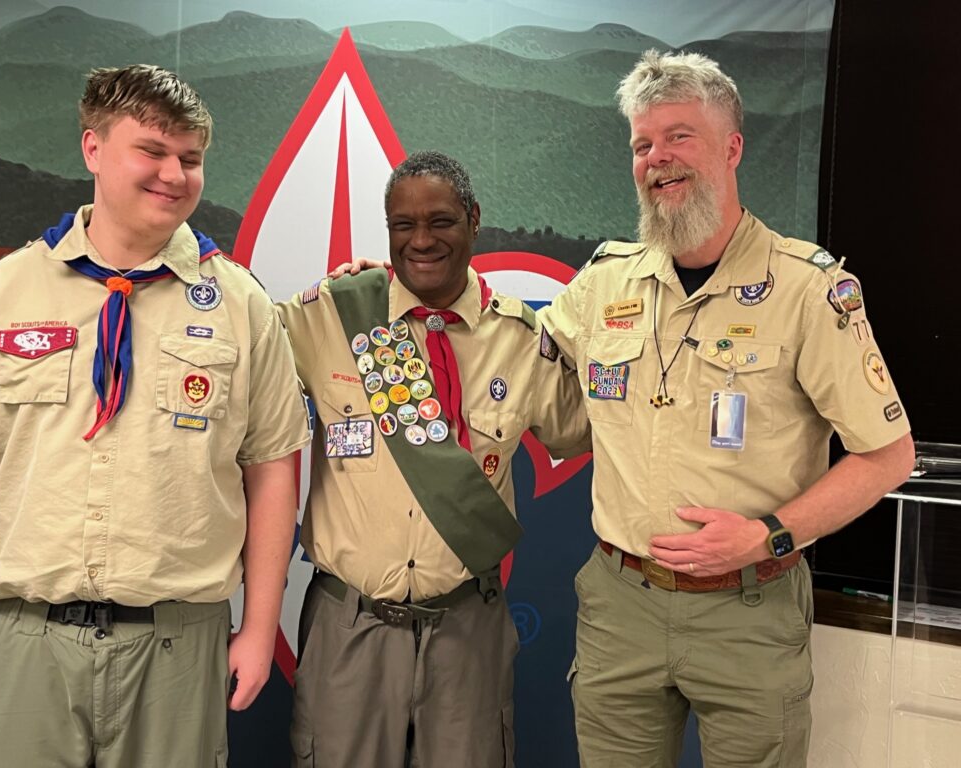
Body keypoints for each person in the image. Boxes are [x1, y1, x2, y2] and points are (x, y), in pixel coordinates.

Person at [539, 50, 915, 767]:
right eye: (642, 144)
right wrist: (388, 288)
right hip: (622, 605)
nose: (658, 159)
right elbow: (510, 347)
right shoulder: (604, 283)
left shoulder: (808, 289)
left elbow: (888, 453)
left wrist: (769, 536)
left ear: (732, 146)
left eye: (680, 136)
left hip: (750, 608)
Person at [0, 64, 310, 767]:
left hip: (177, 646)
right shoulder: (6, 291)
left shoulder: (240, 304)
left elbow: (271, 472)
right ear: (93, 149)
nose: (174, 174)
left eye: (191, 159)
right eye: (153, 151)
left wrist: (260, 627)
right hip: (25, 636)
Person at [276, 150, 590, 768]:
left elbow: (587, 429)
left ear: (473, 219)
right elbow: (236, 375)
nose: (422, 241)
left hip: (467, 624)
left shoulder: (521, 340)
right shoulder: (330, 316)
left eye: (441, 221)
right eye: (403, 225)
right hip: (351, 623)